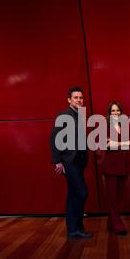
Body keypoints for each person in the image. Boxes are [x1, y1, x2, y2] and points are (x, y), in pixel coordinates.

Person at [50, 86, 92, 239]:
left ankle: (73, 229)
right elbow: (54, 138)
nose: (79, 100)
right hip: (69, 162)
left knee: (73, 194)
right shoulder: (64, 115)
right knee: (82, 192)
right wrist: (57, 161)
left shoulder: (79, 115)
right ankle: (77, 227)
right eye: (76, 98)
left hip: (79, 162)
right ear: (69, 100)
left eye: (81, 98)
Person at [101, 102, 130, 235]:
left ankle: (111, 223)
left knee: (119, 197)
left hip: (124, 165)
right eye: (113, 111)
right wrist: (125, 143)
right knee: (112, 197)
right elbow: (108, 144)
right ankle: (118, 225)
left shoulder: (124, 126)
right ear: (109, 114)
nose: (115, 113)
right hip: (111, 166)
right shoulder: (105, 126)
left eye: (118, 111)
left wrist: (121, 144)